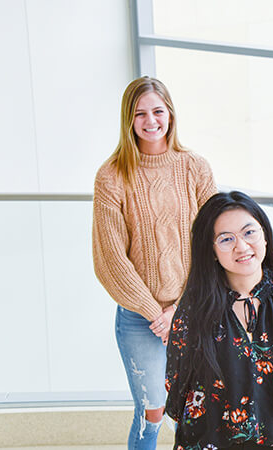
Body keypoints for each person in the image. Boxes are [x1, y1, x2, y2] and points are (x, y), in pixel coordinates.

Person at [93, 76, 217, 450]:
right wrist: (157, 315)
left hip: (193, 309)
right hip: (140, 319)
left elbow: (215, 241)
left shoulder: (194, 167)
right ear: (128, 120)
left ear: (170, 114)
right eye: (140, 113)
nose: (151, 121)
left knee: (200, 407)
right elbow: (111, 258)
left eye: (158, 111)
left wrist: (178, 310)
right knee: (153, 412)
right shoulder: (111, 176)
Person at [164, 191, 273, 449]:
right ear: (212, 251)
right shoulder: (195, 306)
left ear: (265, 235)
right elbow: (177, 381)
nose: (242, 246)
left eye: (249, 232)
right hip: (208, 439)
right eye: (226, 239)